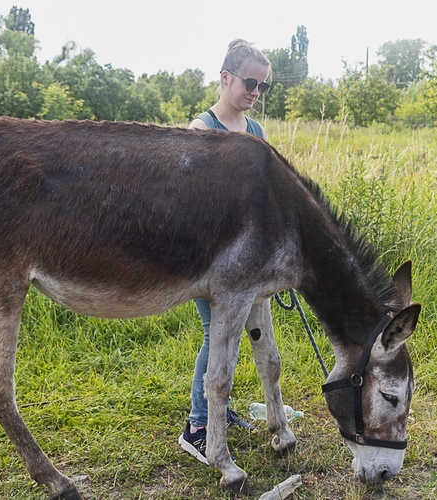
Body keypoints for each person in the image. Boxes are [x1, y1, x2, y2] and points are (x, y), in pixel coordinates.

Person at [178, 39, 272, 465]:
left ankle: (220, 413)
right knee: (214, 334)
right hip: (208, 258)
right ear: (225, 78)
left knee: (229, 336)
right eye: (249, 82)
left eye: (263, 86)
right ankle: (197, 425)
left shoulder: (255, 133)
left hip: (247, 259)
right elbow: (192, 207)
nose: (255, 92)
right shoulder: (201, 131)